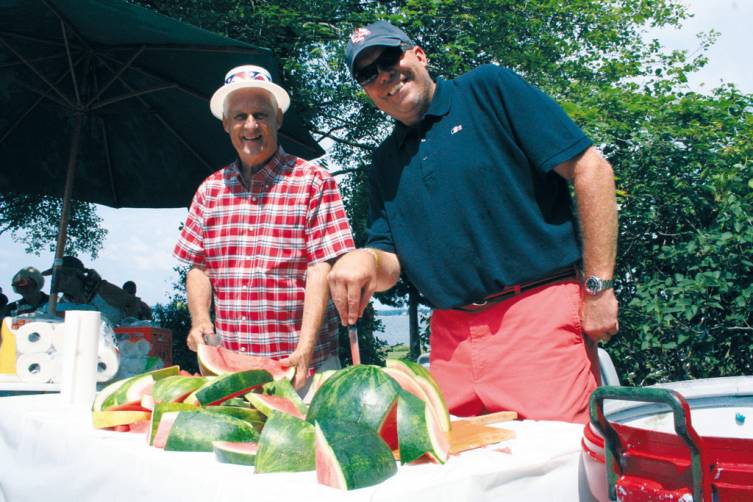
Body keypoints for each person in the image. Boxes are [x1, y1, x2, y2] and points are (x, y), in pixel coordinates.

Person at [328, 21, 619, 423]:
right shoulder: (384, 163)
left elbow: (592, 169)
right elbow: (388, 259)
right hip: (450, 339)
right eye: (367, 73)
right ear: (366, 91)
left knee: (554, 467)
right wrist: (366, 261)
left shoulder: (489, 89)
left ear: (418, 54)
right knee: (461, 475)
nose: (383, 76)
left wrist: (599, 286)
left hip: (537, 317)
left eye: (389, 58)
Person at [173, 65, 355, 389]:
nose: (251, 126)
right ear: (226, 123)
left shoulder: (313, 182)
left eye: (261, 115)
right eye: (240, 116)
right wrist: (200, 319)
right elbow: (199, 267)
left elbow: (321, 268)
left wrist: (306, 347)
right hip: (232, 369)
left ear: (278, 119)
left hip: (305, 369)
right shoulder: (209, 190)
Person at [42, 256, 151, 324]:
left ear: (72, 276)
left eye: (58, 275)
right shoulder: (65, 302)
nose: (54, 280)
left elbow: (134, 303)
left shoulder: (102, 289)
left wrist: (128, 326)